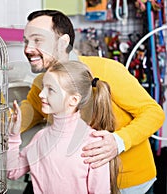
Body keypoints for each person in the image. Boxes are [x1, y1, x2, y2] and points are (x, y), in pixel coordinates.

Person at [19, 9, 165, 193]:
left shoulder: (107, 69)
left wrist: (118, 141)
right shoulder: (40, 85)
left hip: (128, 185)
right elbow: (20, 119)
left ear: (63, 42)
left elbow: (153, 113)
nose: (27, 49)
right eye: (26, 41)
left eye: (37, 40)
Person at [7, 60, 119, 194]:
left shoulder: (94, 145)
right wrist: (13, 135)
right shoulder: (40, 138)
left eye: (51, 89)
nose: (41, 94)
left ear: (73, 100)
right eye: (43, 87)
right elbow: (12, 172)